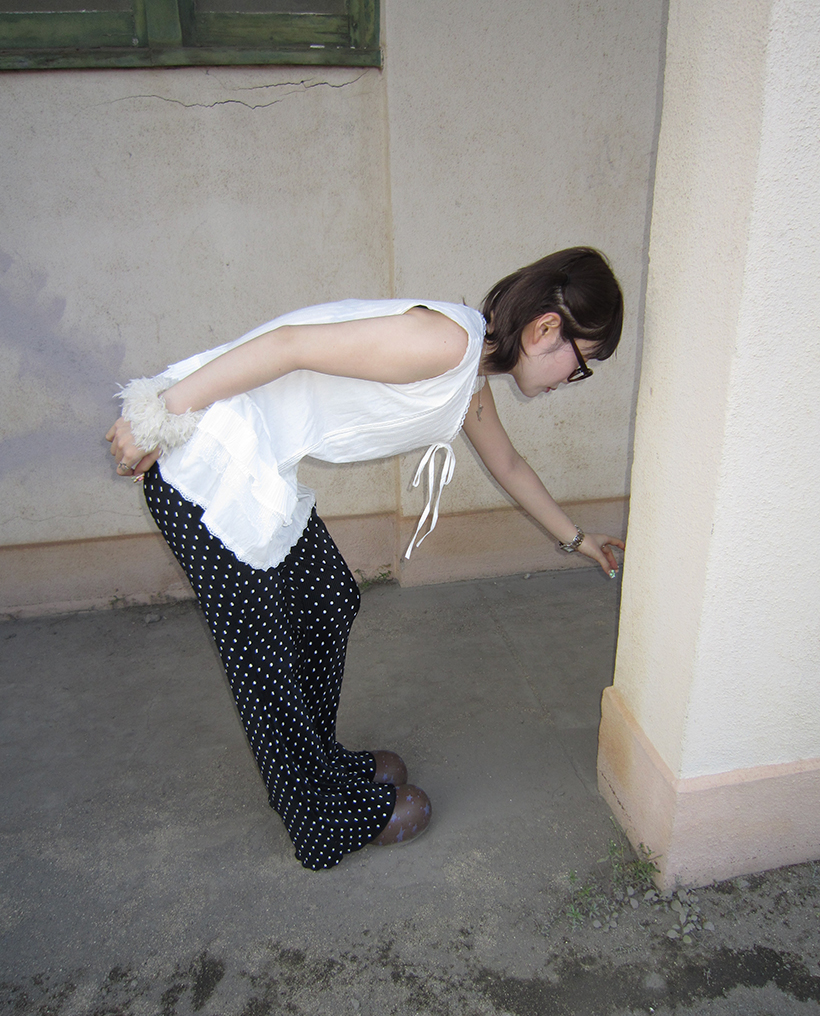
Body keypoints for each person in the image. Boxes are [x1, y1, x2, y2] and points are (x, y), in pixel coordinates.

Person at [106, 246, 625, 870]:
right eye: (583, 363)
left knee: (328, 598)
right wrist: (156, 416)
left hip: (252, 466)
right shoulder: (447, 343)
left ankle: (318, 765)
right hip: (206, 464)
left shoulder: (468, 376)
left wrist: (579, 539)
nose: (572, 379)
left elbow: (509, 465)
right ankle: (317, 820)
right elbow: (290, 344)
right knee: (264, 656)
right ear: (545, 329)